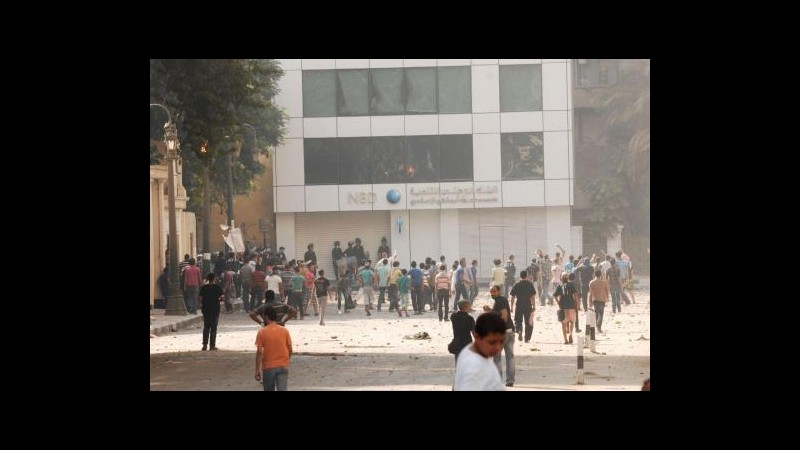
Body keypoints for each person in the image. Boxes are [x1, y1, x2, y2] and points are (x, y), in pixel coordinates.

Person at [453, 312, 507, 391]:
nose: (498, 347)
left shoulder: (469, 350)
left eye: (502, 341)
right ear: (477, 337)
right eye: (492, 342)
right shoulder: (475, 368)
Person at [483, 285, 516, 387]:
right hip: (510, 331)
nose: (492, 294)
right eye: (491, 292)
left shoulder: (500, 300)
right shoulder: (501, 300)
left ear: (499, 291)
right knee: (510, 357)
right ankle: (510, 380)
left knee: (497, 357)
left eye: (494, 291)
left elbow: (504, 317)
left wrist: (489, 312)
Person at [254, 306, 293, 391]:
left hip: (268, 367)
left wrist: (257, 370)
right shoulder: (284, 331)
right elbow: (290, 349)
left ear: (266, 317)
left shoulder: (262, 332)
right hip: (283, 365)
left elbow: (259, 352)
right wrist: (287, 360)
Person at [199, 273, 224, 351]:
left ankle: (204, 345)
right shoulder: (217, 287)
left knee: (206, 327)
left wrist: (205, 301)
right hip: (215, 309)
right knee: (213, 328)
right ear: (214, 279)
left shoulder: (204, 287)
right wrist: (217, 300)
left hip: (206, 309)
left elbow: (200, 298)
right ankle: (212, 346)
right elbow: (222, 297)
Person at [510, 270, 536, 344]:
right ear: (526, 276)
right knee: (528, 321)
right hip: (527, 304)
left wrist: (511, 307)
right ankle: (527, 338)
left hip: (519, 304)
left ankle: (519, 330)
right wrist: (534, 306)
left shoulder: (517, 284)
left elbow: (512, 297)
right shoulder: (530, 284)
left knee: (518, 320)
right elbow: (533, 296)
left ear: (520, 276)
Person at [554, 273, 580, 344]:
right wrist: (577, 304)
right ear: (567, 278)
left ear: (561, 278)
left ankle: (565, 339)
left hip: (563, 306)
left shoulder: (559, 285)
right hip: (571, 305)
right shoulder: (571, 285)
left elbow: (555, 295)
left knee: (564, 323)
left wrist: (558, 303)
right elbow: (575, 295)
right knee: (572, 321)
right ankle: (571, 334)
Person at [448, 299, 475, 364]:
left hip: (457, 342)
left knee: (458, 363)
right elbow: (474, 332)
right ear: (465, 307)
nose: (470, 308)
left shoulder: (454, 316)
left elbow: (456, 314)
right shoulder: (469, 318)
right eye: (469, 306)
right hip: (467, 342)